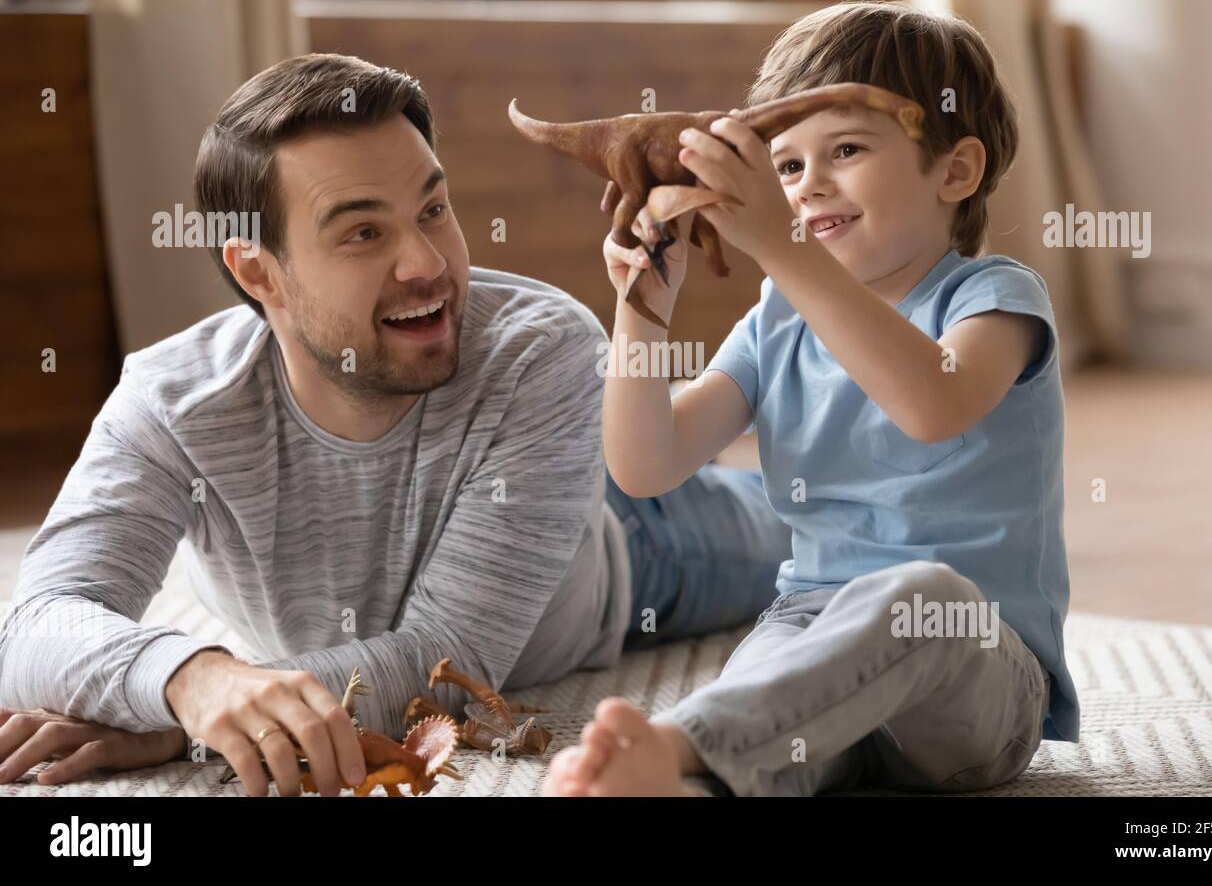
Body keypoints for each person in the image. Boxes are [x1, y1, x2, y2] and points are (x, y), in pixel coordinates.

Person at [0, 54, 791, 796]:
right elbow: (36, 621)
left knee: (822, 540)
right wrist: (191, 682)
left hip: (632, 547)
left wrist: (193, 732)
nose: (426, 265)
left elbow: (446, 663)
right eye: (364, 232)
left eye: (434, 210)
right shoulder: (174, 402)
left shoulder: (543, 350)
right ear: (256, 270)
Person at [545, 0, 1080, 797]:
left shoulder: (995, 299)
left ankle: (679, 743)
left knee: (921, 598)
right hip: (811, 636)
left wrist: (779, 247)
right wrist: (641, 308)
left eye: (847, 149)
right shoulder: (778, 318)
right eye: (786, 166)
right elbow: (645, 466)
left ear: (955, 171)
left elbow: (932, 407)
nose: (806, 187)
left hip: (972, 669)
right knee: (750, 752)